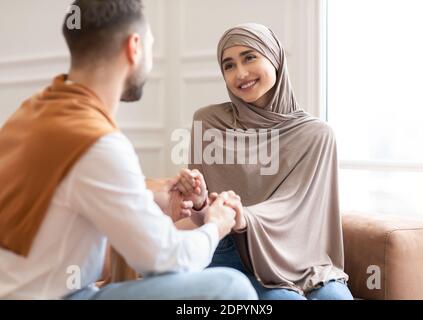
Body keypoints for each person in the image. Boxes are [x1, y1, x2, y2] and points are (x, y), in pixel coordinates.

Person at [0, 0, 257, 300]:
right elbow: (170, 260)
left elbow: (65, 201)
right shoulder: (96, 142)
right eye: (150, 44)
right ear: (134, 47)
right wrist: (216, 225)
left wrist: (148, 198)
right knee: (232, 287)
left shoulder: (32, 113)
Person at [188, 23, 353, 300]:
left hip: (303, 255)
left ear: (274, 57)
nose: (240, 73)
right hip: (233, 253)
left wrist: (246, 216)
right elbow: (201, 211)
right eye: (228, 65)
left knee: (335, 298)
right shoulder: (208, 122)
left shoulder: (316, 134)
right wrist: (197, 199)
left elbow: (301, 207)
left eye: (250, 57)